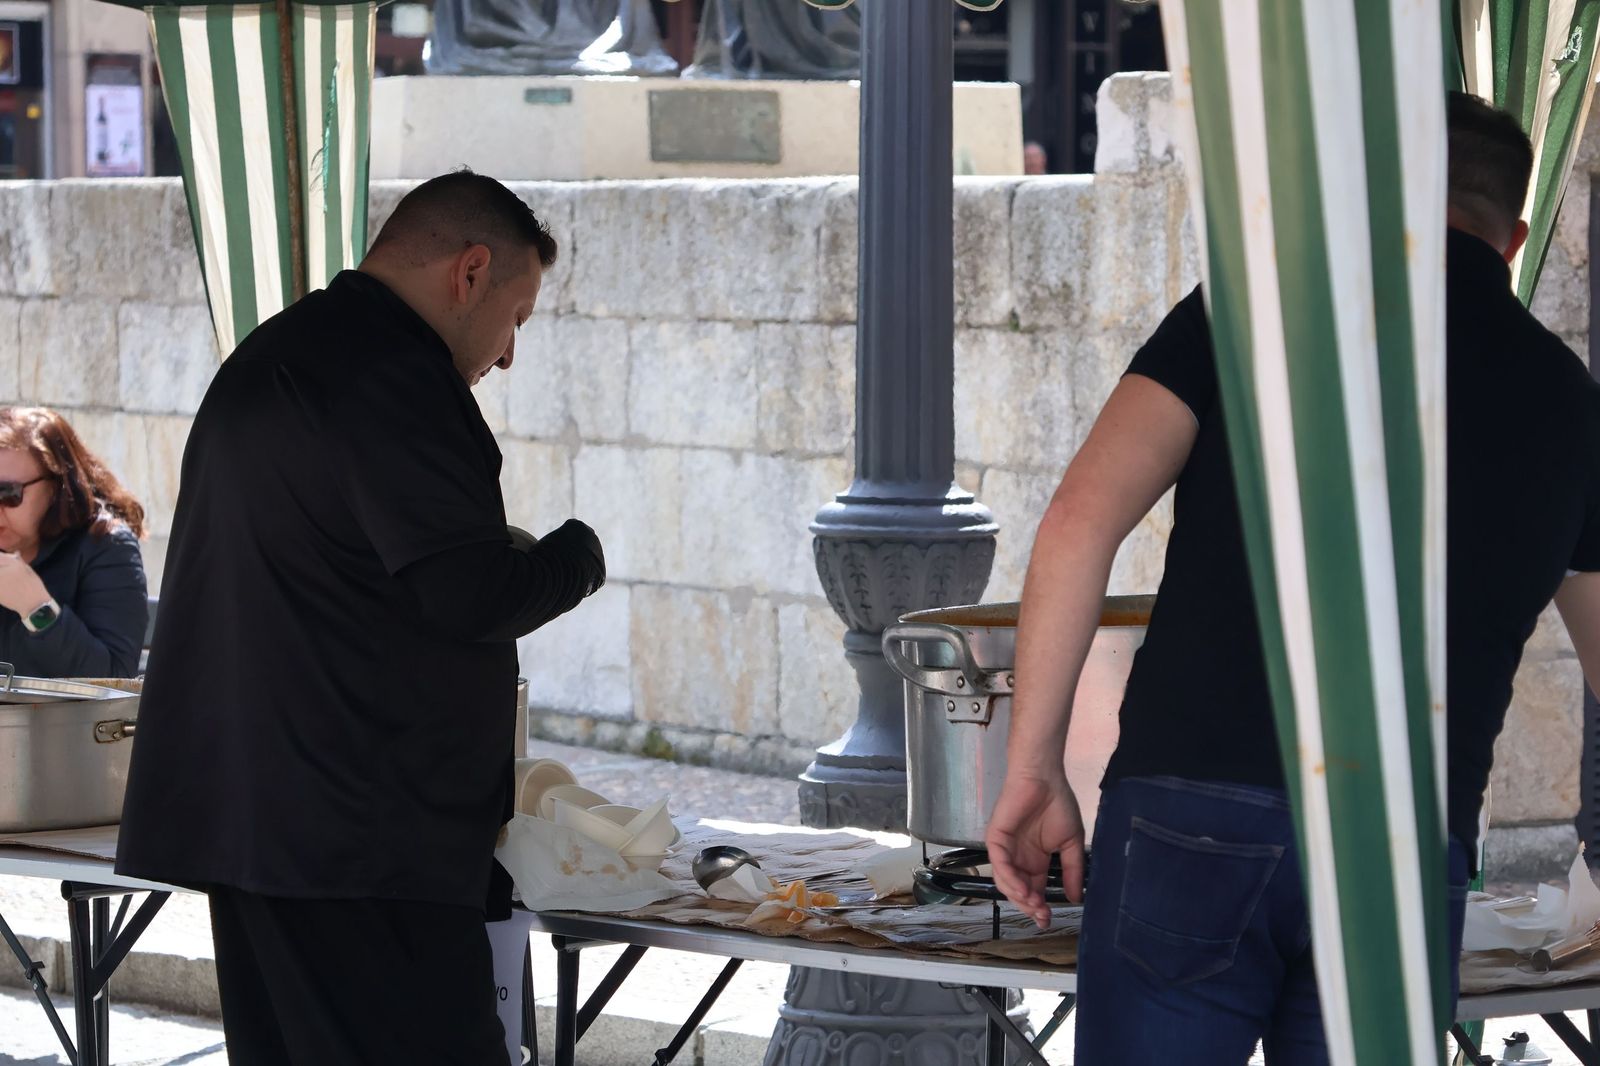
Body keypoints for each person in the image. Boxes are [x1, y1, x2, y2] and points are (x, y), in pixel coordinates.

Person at [986, 93, 1600, 1062]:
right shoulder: (1569, 404)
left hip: (1191, 807)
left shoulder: (1256, 312)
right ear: (1513, 236)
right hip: (1400, 839)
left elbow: (1075, 521)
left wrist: (1031, 769)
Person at [116, 170, 608, 1065]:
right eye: (516, 319)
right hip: (360, 840)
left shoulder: (280, 350)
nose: (506, 356)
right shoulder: (394, 375)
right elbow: (468, 594)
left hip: (267, 826)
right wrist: (571, 558)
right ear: (469, 272)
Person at [0, 406, 147, 678]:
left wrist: (36, 607)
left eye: (8, 494)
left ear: (57, 485)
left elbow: (113, 679)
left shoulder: (107, 546)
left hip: (66, 722)